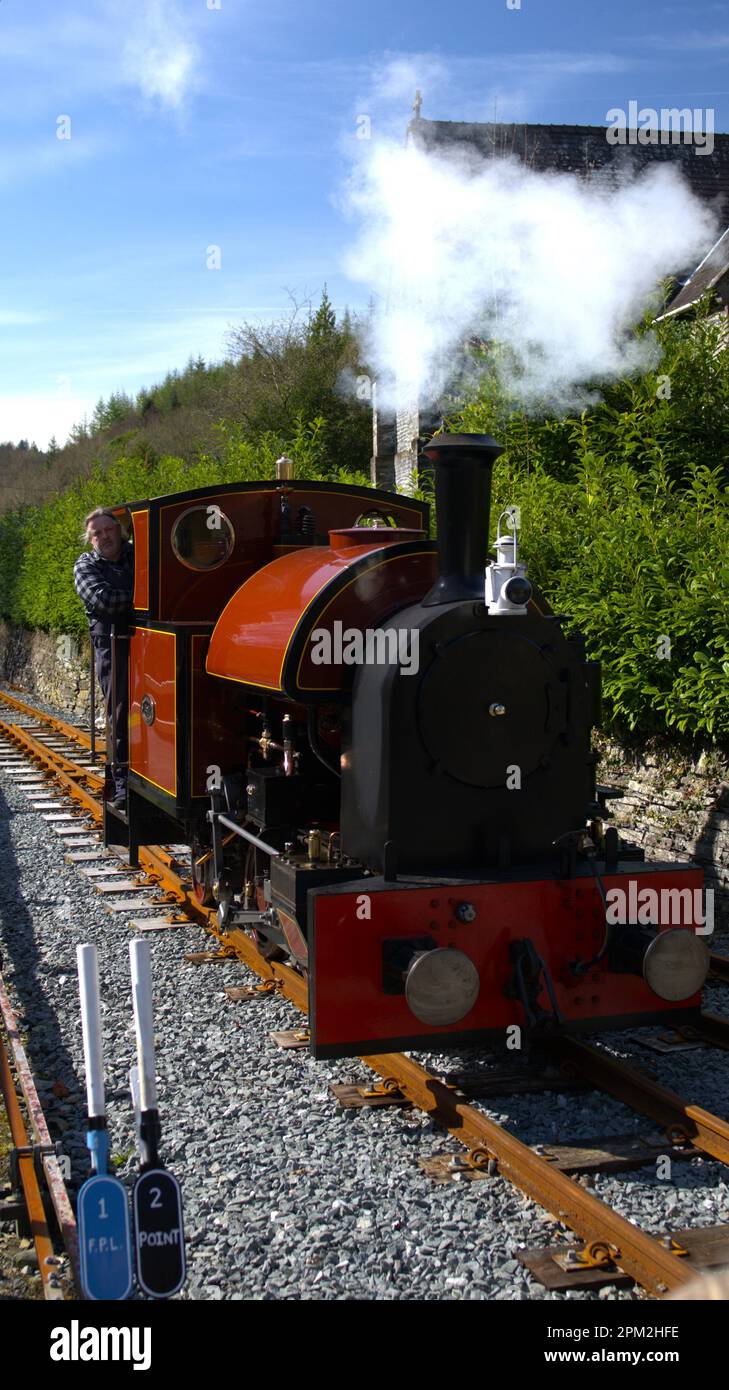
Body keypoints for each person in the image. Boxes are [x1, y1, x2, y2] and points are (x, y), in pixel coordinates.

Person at [73, 508, 134, 807]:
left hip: (147, 642)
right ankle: (121, 783)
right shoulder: (85, 566)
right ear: (90, 540)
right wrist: (145, 595)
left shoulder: (138, 555)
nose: (104, 536)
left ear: (119, 530)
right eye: (97, 533)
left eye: (108, 529)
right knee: (120, 713)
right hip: (113, 647)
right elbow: (106, 601)